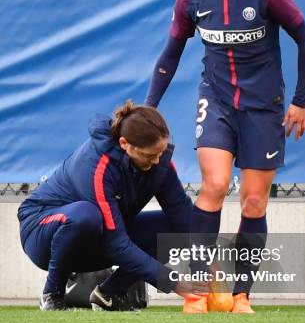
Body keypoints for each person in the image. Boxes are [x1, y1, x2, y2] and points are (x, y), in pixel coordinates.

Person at [145, 0, 305, 314]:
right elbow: (170, 56)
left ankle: (241, 295)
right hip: (217, 101)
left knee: (254, 201)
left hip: (264, 106)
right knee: (215, 185)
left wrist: (301, 100)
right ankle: (200, 293)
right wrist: (148, 109)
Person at [17, 101, 206, 310]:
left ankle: (108, 294)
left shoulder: (159, 164)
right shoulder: (97, 166)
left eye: (160, 153)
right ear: (125, 144)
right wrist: (174, 282)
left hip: (97, 238)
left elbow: (184, 217)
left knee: (172, 229)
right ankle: (52, 294)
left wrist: (209, 265)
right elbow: (117, 244)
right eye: (149, 155)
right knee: (86, 216)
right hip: (42, 234)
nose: (156, 161)